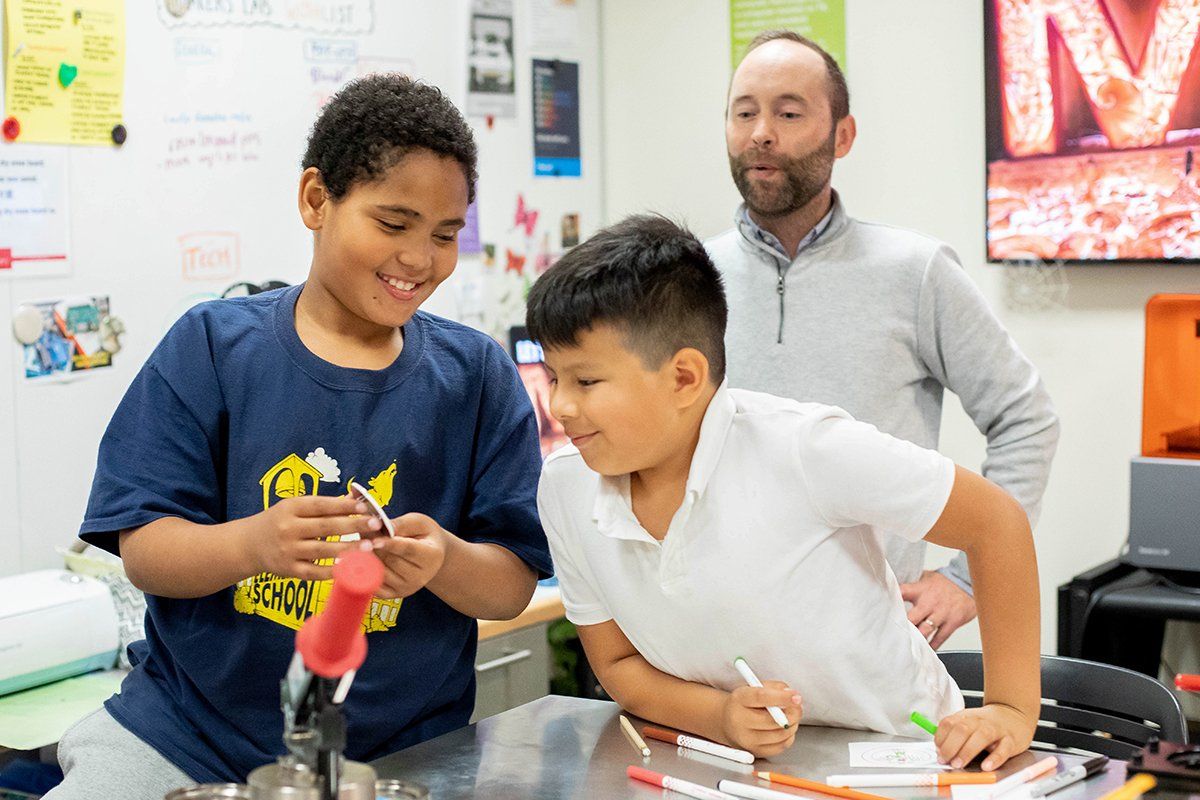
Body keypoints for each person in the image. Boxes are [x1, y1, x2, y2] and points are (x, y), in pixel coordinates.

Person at [49, 74, 551, 800]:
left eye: (445, 235)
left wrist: (442, 559)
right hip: (186, 740)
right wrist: (255, 543)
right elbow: (147, 552)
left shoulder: (475, 378)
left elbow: (511, 583)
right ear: (317, 199)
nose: (420, 258)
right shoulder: (213, 348)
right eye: (393, 223)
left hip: (398, 758)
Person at [528, 215, 1040, 767]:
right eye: (552, 377)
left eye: (585, 381)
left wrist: (1010, 708)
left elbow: (996, 522)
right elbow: (619, 665)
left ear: (683, 378)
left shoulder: (804, 448)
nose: (559, 406)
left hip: (908, 753)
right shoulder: (567, 486)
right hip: (747, 766)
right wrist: (721, 717)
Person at [707, 30, 1059, 648]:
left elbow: (1025, 417)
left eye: (788, 112)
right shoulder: (690, 280)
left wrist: (970, 576)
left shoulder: (915, 271)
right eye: (744, 112)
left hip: (874, 638)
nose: (761, 131)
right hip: (721, 636)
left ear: (842, 135)